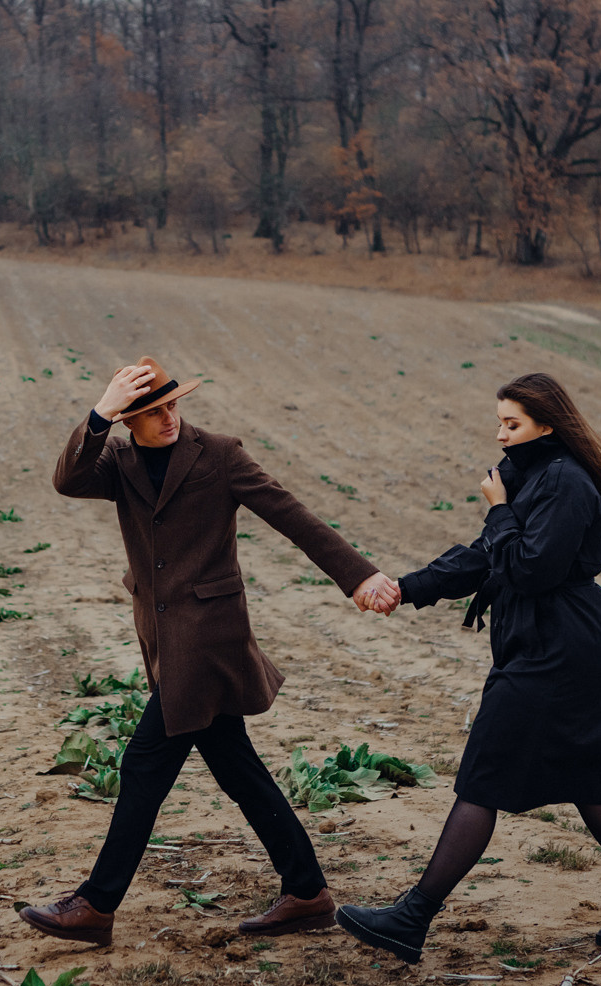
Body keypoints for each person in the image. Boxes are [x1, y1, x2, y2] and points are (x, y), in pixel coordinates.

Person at [20, 357, 401, 948]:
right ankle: (306, 890)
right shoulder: (117, 462)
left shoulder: (218, 453)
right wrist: (98, 411)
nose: (168, 418)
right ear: (128, 421)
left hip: (210, 638)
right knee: (236, 766)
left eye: (173, 405)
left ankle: (96, 904)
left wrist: (358, 576)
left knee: (144, 766)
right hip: (163, 639)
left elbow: (292, 515)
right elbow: (68, 479)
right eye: (151, 412)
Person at [339, 372, 601, 964]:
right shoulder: (533, 475)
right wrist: (406, 588)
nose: (500, 435)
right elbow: (484, 557)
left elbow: (528, 567)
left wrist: (499, 510)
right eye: (499, 422)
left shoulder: (566, 482)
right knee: (589, 780)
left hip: (558, 651)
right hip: (549, 643)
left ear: (547, 425)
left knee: (484, 775)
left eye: (512, 424)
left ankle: (412, 917)